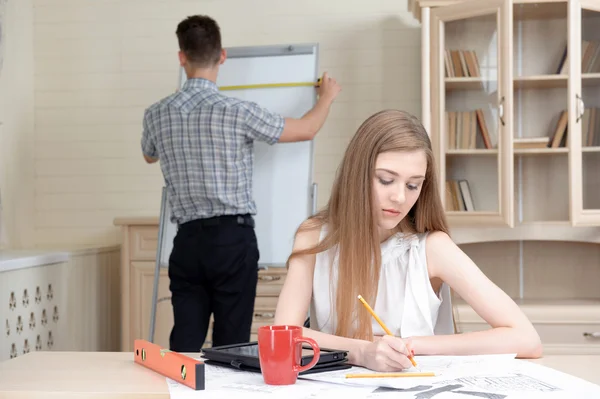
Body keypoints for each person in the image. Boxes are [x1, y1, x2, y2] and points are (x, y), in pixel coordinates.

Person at [274, 109, 543, 372]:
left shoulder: (432, 248)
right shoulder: (313, 236)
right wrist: (362, 352)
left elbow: (526, 339)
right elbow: (281, 336)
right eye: (386, 180)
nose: (400, 198)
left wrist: (410, 345)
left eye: (413, 185)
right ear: (356, 175)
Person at [140, 14, 342, 352]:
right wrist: (327, 97)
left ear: (181, 57)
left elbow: (149, 155)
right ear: (222, 56)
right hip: (232, 241)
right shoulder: (237, 112)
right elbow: (305, 130)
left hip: (187, 242)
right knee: (230, 344)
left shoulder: (157, 113)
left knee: (186, 342)